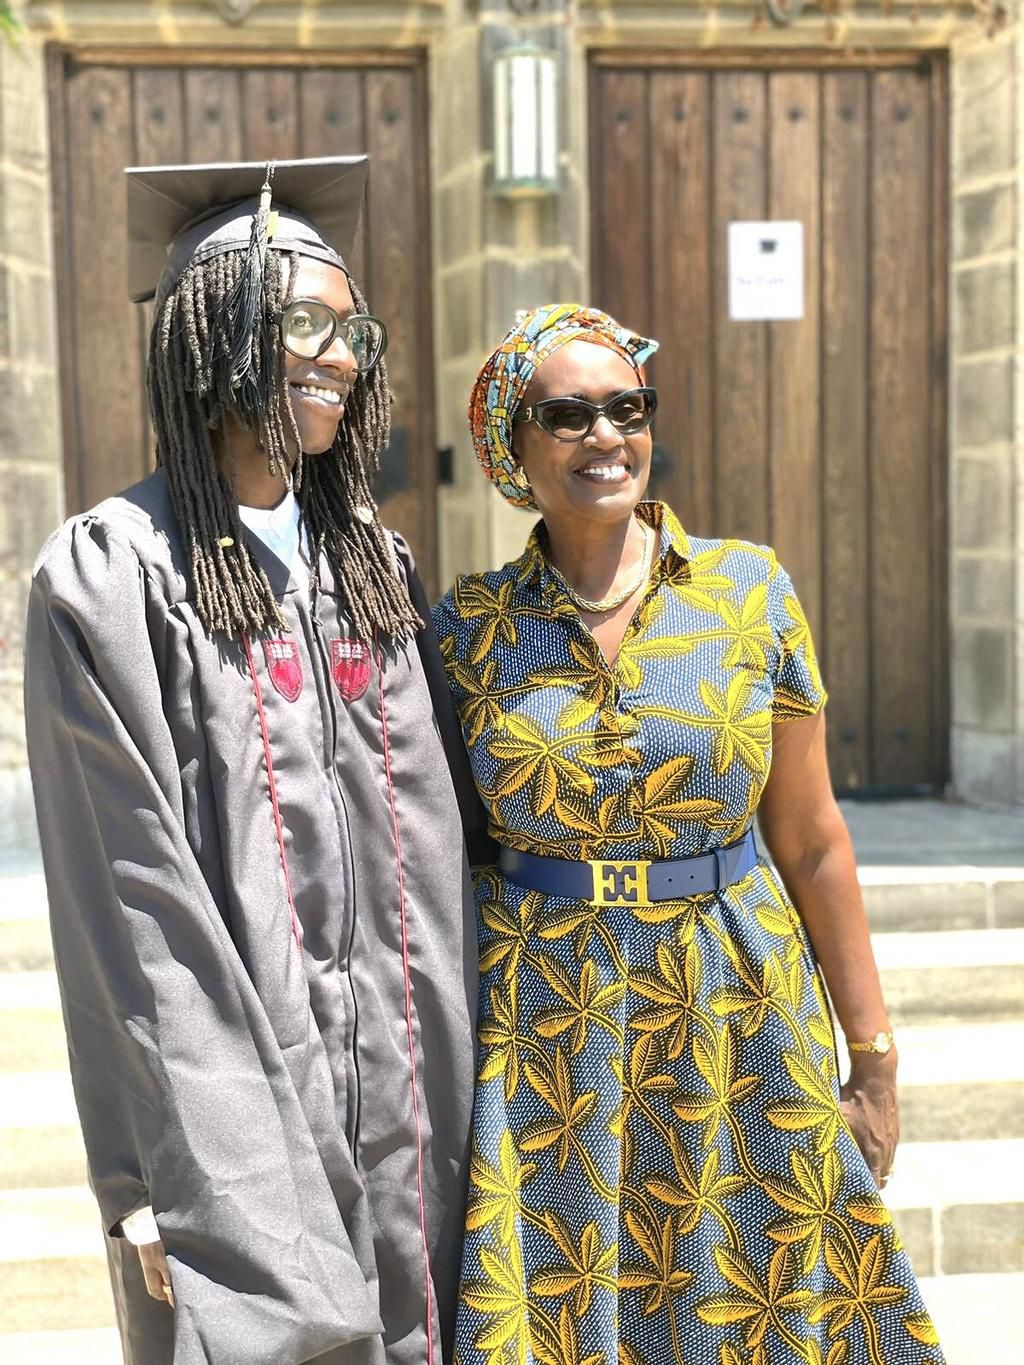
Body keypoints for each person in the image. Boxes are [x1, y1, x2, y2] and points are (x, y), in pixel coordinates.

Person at [24, 157, 481, 1365]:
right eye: (306, 324)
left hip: (414, 1095)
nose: (343, 353)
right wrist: (159, 1174)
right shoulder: (111, 579)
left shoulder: (375, 567)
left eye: (352, 328)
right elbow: (130, 913)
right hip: (233, 1124)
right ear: (211, 336)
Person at [432, 304, 944, 1364]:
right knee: (570, 1316)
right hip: (549, 1035)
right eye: (566, 415)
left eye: (628, 407)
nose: (604, 435)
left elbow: (810, 841)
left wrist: (873, 1055)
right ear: (513, 448)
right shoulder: (468, 627)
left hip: (736, 1001)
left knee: (752, 1299)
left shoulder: (748, 592)